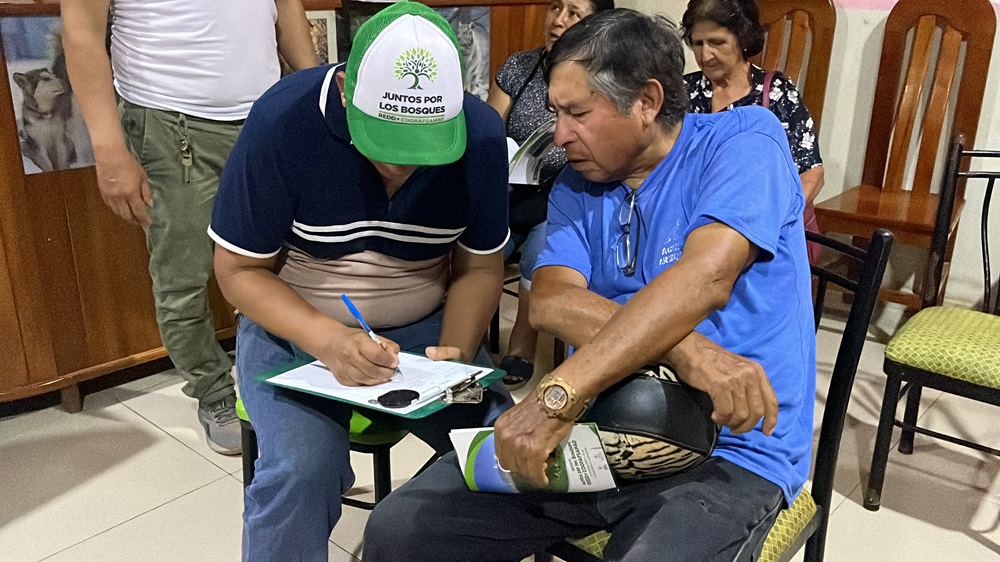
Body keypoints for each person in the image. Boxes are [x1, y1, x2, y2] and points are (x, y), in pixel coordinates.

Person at [363, 9, 816, 562]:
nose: (559, 135)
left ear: (646, 102)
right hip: (598, 432)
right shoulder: (578, 184)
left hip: (731, 451)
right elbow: (550, 300)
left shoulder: (744, 141)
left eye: (577, 112)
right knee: (400, 529)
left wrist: (558, 393)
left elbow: (705, 277)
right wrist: (685, 348)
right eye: (556, 112)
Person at [209, 2, 513, 560]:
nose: (400, 169)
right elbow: (238, 271)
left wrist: (459, 349)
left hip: (426, 327)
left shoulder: (482, 135)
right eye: (384, 145)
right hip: (294, 327)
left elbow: (480, 265)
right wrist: (327, 339)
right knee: (300, 471)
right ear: (347, 90)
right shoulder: (285, 120)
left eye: (421, 152)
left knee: (506, 450)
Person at [61, 0, 317, 454]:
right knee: (183, 273)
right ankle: (214, 392)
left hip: (266, 115)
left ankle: (290, 374)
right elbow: (82, 33)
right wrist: (108, 148)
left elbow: (286, 8)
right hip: (168, 124)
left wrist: (312, 89)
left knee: (291, 256)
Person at [486, 0, 614, 390]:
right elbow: (490, 130)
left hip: (566, 198)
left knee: (542, 249)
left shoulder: (604, 79)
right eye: (556, 7)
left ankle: (522, 344)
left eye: (574, 13)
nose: (559, 20)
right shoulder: (520, 67)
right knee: (478, 245)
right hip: (509, 192)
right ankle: (466, 341)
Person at [682, 0, 825, 260]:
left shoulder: (776, 92)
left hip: (764, 233)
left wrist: (774, 221)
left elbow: (812, 173)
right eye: (697, 43)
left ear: (742, 38)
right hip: (694, 227)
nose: (705, 55)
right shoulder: (683, 92)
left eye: (717, 42)